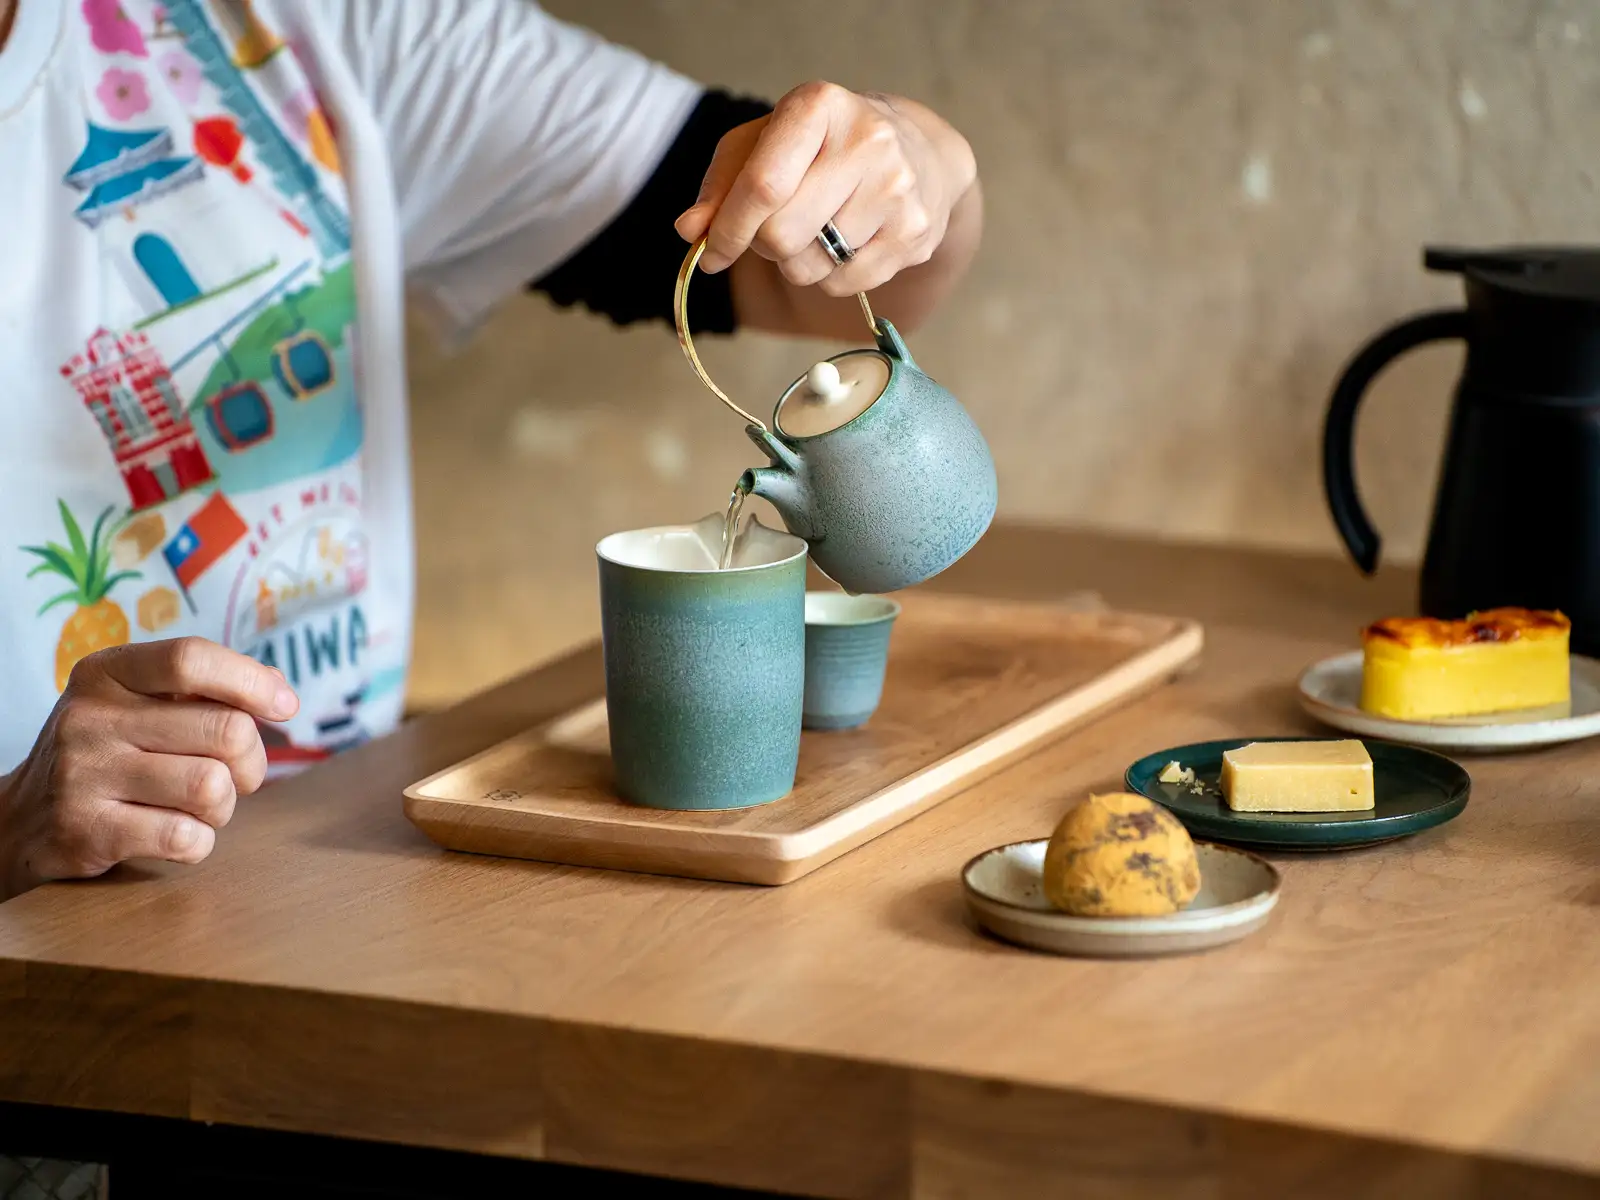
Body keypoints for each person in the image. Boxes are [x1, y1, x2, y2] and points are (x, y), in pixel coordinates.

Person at [0, 0, 982, 904]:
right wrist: (9, 822)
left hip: (353, 883)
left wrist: (921, 160)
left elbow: (828, 282)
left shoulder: (286, 28)